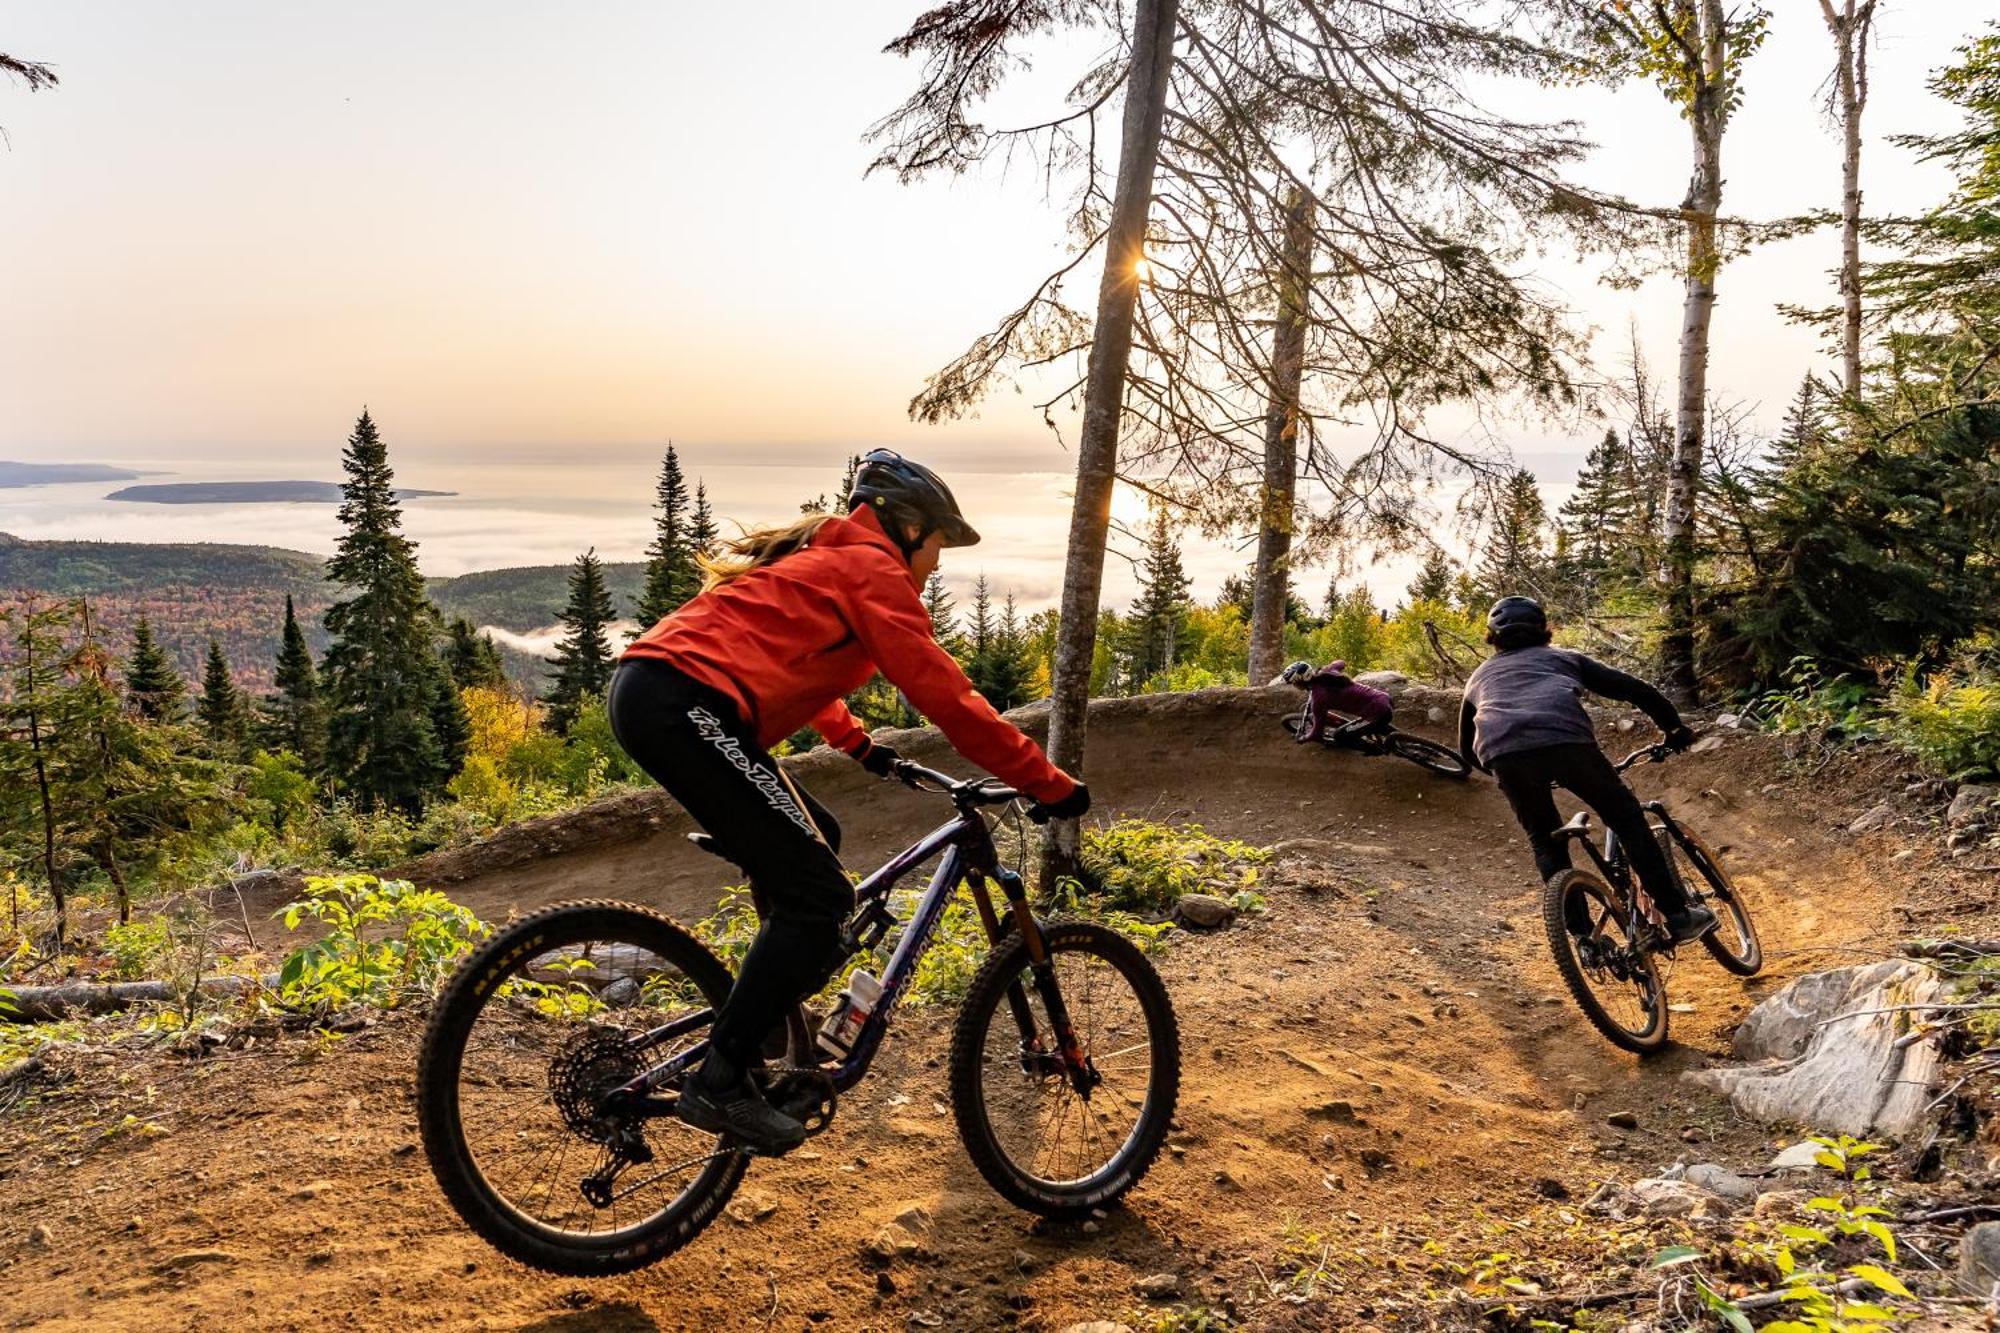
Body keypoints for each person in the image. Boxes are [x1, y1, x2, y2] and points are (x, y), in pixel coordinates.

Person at [609, 450, 1089, 1153]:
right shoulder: (873, 571)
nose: (935, 565)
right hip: (683, 702)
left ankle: (764, 1016)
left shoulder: (835, 560)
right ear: (908, 527)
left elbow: (796, 660)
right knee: (819, 896)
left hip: (667, 696)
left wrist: (857, 743)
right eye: (936, 547)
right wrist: (1047, 780)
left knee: (817, 835)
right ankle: (720, 1076)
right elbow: (950, 700)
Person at [1457, 596, 1716, 943]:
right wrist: (1673, 728)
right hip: (1567, 743)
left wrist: (1508, 773)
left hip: (1503, 754)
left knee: (1546, 843)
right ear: (1544, 630)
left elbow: (1464, 748)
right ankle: (1678, 916)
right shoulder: (1562, 658)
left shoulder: (1478, 678)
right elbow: (1635, 690)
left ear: (1492, 637)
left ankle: (1582, 939)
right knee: (1626, 819)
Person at [1280, 659, 1394, 746]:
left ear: (1300, 682)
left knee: (1339, 736)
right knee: (1376, 723)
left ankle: (1373, 748)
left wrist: (1303, 738)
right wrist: (1329, 666)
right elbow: (1341, 662)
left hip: (1377, 712)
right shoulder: (1328, 672)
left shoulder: (1318, 699)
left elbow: (1317, 733)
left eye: (1294, 684)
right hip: (1384, 698)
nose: (1295, 686)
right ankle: (1389, 733)